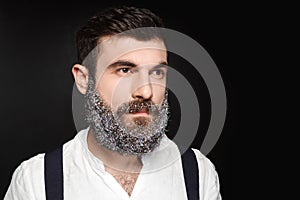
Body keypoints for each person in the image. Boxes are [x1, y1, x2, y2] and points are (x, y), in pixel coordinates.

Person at [4, 5, 221, 200]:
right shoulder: (36, 182)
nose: (145, 91)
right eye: (125, 70)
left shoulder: (198, 173)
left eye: (156, 72)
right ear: (83, 79)